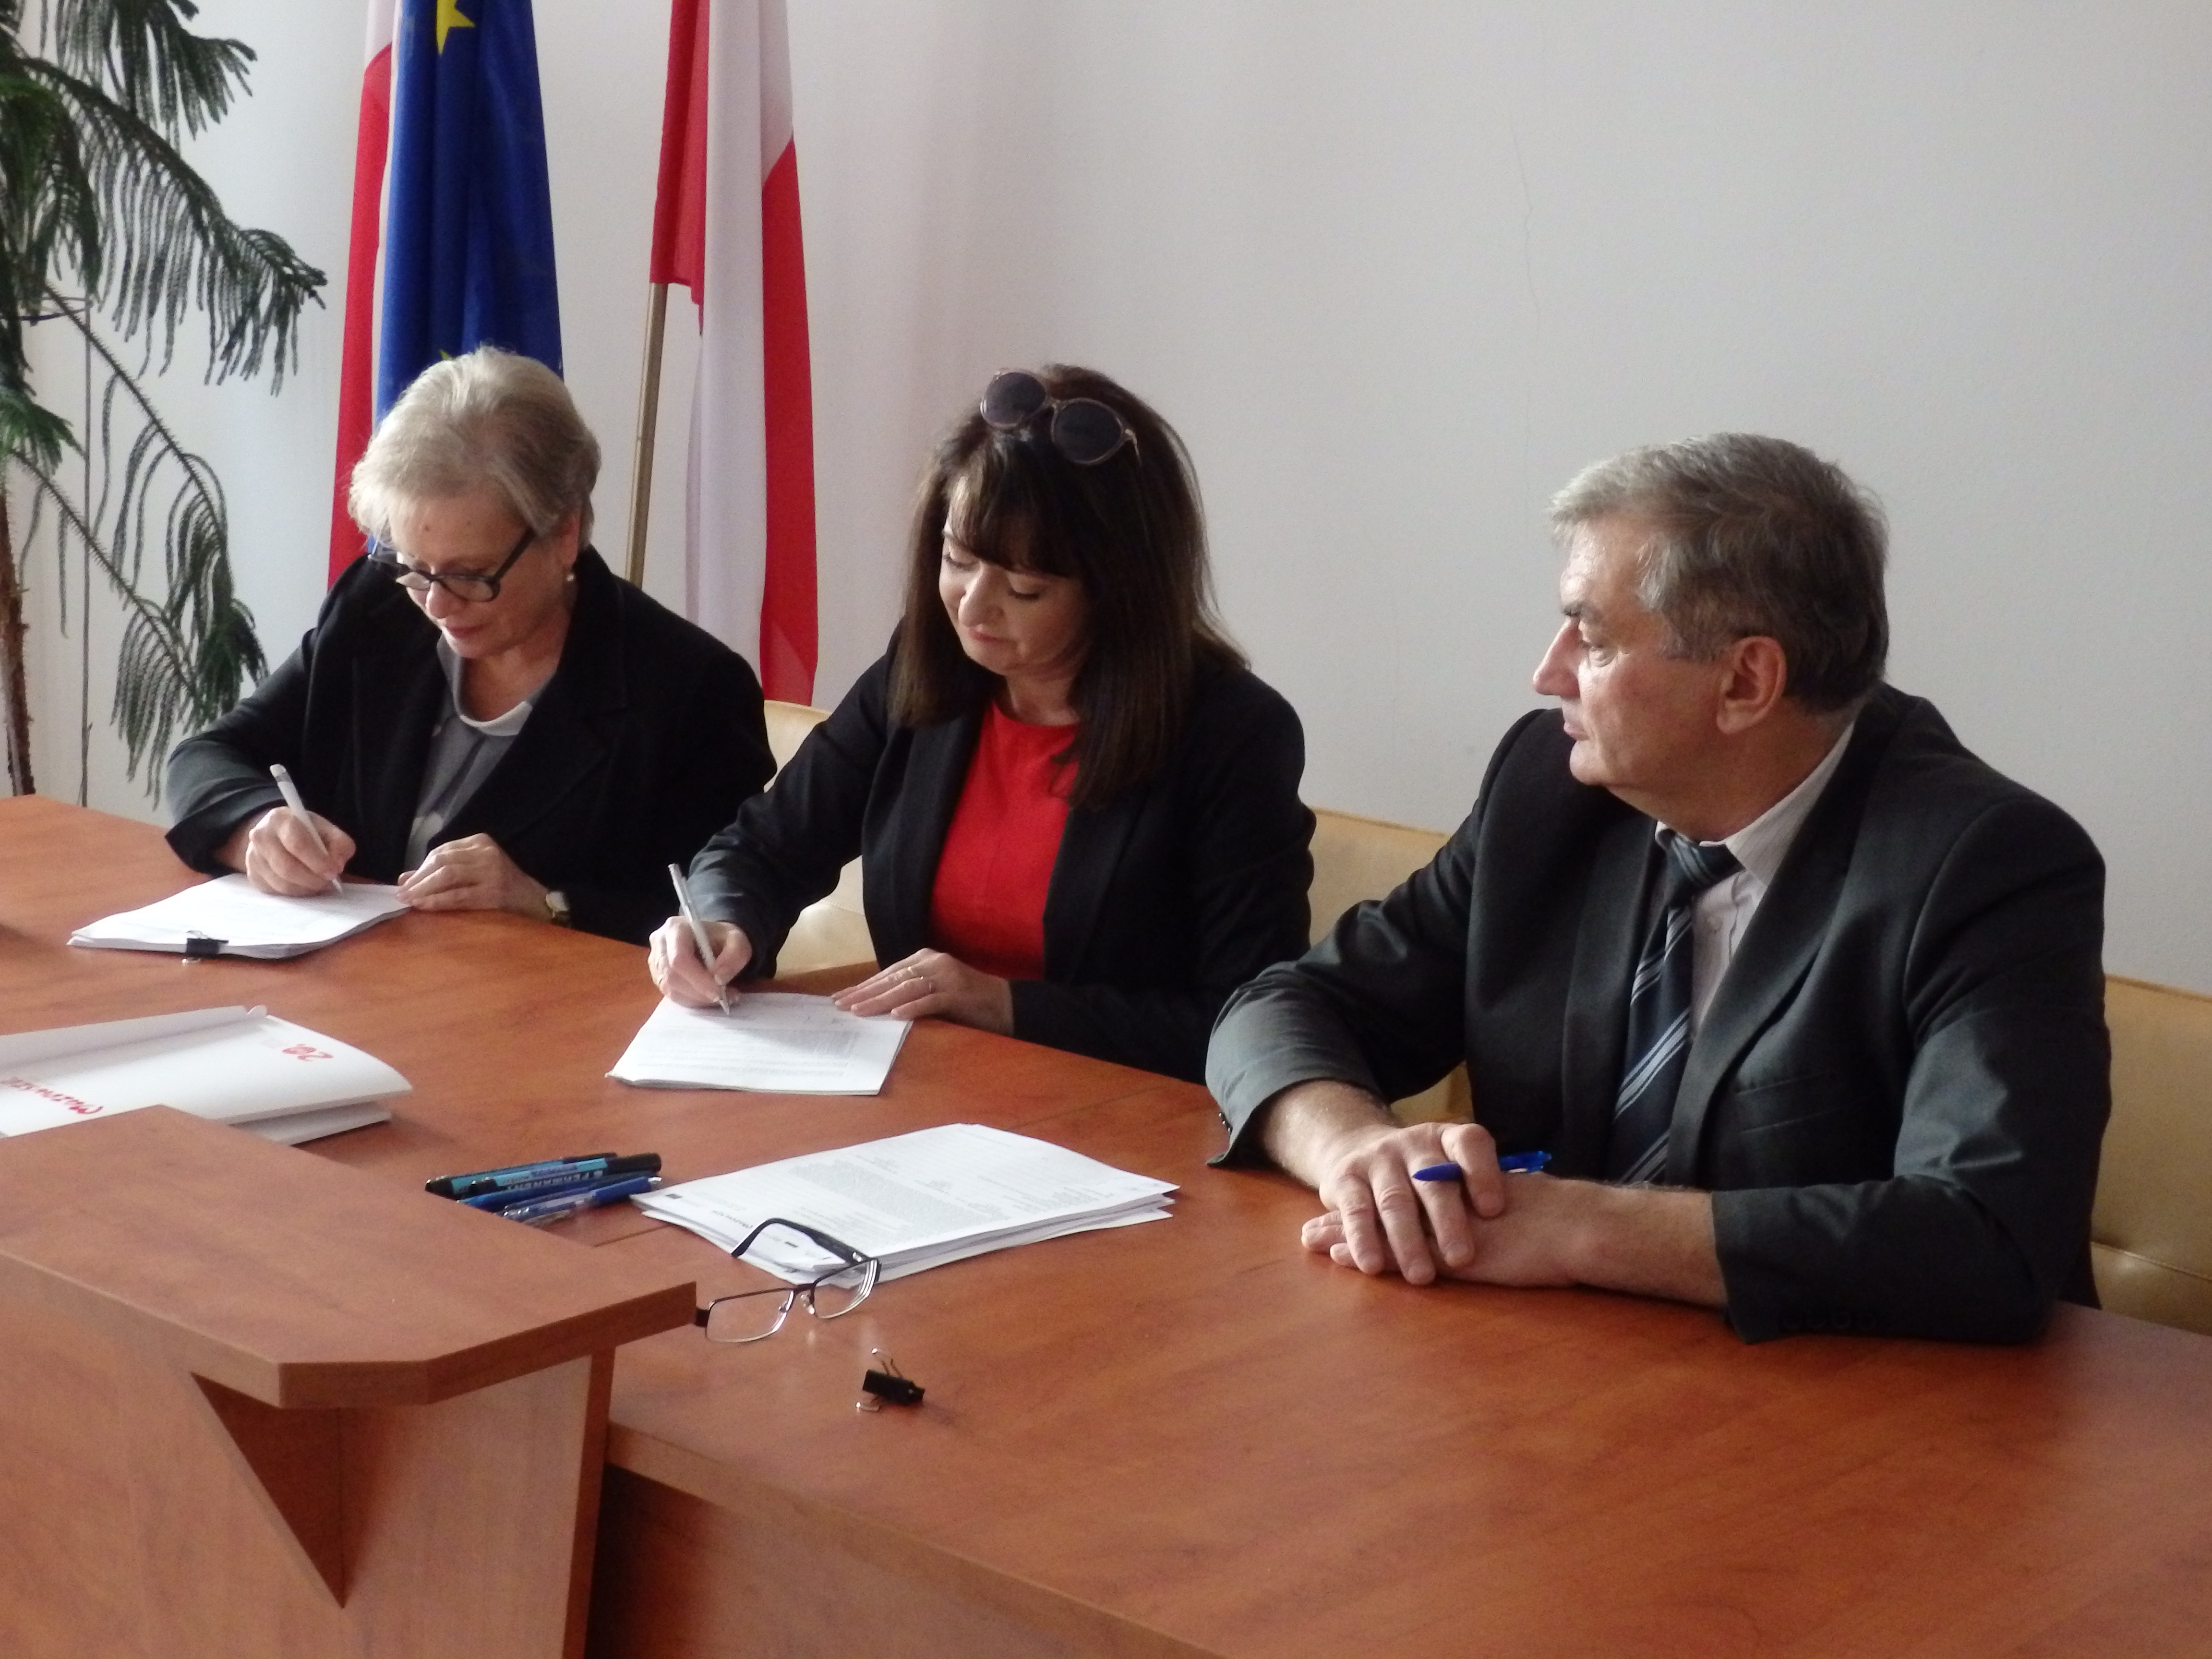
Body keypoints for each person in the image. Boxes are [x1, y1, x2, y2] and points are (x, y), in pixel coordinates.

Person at [1206, 433, 2109, 1343]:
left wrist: (1581, 1228)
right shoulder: (1548, 790)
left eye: (1593, 640)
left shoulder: (1987, 864)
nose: (1547, 673)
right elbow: (1282, 1008)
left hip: (1863, 1394)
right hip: (1563, 1365)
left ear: (1745, 680)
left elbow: (1986, 1237)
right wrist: (1354, 1151)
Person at [650, 365, 1313, 1083]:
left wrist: (1006, 1006)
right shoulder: (924, 673)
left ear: (1119, 589)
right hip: (922, 1088)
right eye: (957, 561)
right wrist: (721, 922)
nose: (972, 606)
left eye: (1024, 589)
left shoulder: (1232, 735)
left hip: (1114, 1112)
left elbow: (1250, 1019)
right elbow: (765, 849)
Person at [165, 346, 775, 946]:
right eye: (415, 567)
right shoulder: (377, 610)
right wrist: (255, 827)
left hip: (537, 1004)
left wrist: (548, 904)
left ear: (564, 533)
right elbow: (209, 756)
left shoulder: (688, 690)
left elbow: (720, 924)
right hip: (347, 985)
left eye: (471, 575)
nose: (436, 603)